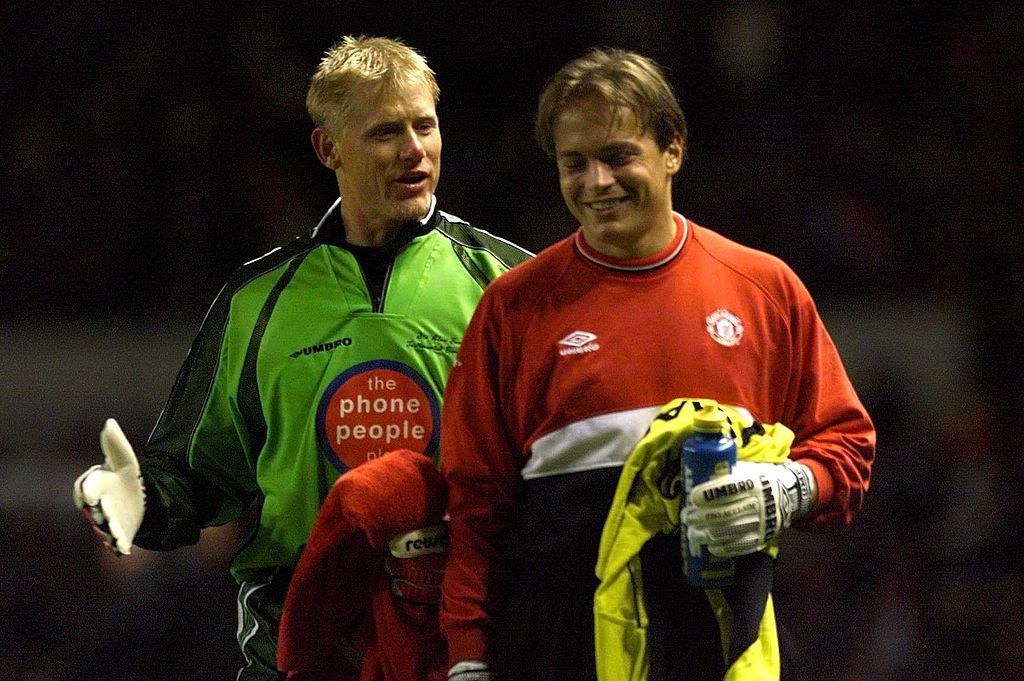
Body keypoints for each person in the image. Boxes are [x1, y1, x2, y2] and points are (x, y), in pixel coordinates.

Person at [72, 35, 531, 681]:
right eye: (384, 132)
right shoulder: (255, 301)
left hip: (462, 646)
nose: (413, 150)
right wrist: (141, 503)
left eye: (424, 126)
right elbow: (202, 473)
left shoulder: (509, 284)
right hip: (302, 650)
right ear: (328, 148)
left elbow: (561, 456)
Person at [439, 48, 875, 680]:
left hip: (720, 636)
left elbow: (848, 445)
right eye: (574, 163)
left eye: (617, 156)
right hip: (559, 644)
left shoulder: (764, 289)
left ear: (673, 149)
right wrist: (468, 657)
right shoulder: (513, 307)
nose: (596, 182)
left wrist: (789, 488)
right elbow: (476, 502)